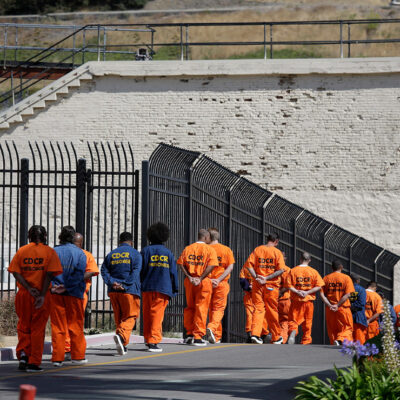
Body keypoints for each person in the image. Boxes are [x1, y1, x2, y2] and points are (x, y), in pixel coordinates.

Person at [8, 225, 63, 372]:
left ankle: (24, 354)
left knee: (24, 326)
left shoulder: (22, 251)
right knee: (38, 328)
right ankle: (34, 362)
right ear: (45, 236)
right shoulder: (49, 252)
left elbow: (15, 272)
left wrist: (27, 287)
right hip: (41, 294)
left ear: (29, 236)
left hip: (24, 295)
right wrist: (42, 295)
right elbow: (49, 274)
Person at [50, 226, 88, 367]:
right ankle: (78, 356)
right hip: (74, 293)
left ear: (60, 237)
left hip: (55, 293)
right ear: (73, 238)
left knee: (58, 327)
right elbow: (79, 274)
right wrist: (67, 286)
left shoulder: (53, 252)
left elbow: (48, 272)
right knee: (75, 326)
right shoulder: (80, 253)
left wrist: (55, 286)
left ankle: (57, 358)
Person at [101, 232, 141, 356]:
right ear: (131, 242)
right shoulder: (135, 254)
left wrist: (112, 283)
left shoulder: (112, 254)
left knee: (119, 317)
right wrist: (125, 284)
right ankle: (122, 337)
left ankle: (123, 345)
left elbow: (104, 270)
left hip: (113, 291)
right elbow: (135, 272)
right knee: (130, 315)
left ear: (119, 241)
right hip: (128, 291)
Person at [141, 222, 179, 353]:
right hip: (162, 287)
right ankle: (153, 340)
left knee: (147, 314)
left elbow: (141, 270)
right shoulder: (167, 253)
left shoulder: (145, 251)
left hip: (147, 287)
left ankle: (147, 338)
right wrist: (175, 288)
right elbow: (173, 272)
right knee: (157, 315)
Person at [177, 229, 219, 346]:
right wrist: (200, 278)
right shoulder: (209, 249)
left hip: (190, 281)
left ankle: (189, 334)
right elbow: (211, 265)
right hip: (203, 281)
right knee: (201, 308)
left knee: (189, 307)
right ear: (206, 238)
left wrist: (190, 277)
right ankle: (198, 336)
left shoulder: (188, 248)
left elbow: (180, 263)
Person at [244, 232, 285, 344]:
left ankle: (255, 334)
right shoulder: (277, 252)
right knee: (271, 310)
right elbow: (281, 270)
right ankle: (276, 336)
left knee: (258, 309)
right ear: (276, 241)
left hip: (258, 284)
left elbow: (249, 266)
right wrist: (266, 278)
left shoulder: (258, 250)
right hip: (271, 285)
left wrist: (257, 277)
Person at [64, 232, 99, 360]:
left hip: (61, 291)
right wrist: (77, 279)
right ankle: (73, 350)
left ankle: (66, 348)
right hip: (79, 293)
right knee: (76, 323)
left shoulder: (63, 252)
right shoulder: (86, 254)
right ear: (81, 242)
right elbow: (92, 271)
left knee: (64, 322)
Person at [286, 252, 324, 345]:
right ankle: (306, 340)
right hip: (308, 300)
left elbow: (288, 285)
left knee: (293, 320)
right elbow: (319, 286)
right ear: (309, 260)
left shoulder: (293, 271)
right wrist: (307, 292)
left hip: (296, 300)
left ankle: (293, 331)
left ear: (300, 259)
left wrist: (297, 291)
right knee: (308, 321)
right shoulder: (313, 271)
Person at [206, 227, 235, 344]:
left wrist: (209, 279)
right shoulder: (226, 250)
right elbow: (230, 267)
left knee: (210, 309)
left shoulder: (205, 249)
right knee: (218, 309)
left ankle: (216, 336)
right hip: (221, 283)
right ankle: (213, 328)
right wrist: (218, 279)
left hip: (206, 282)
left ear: (208, 237)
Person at [320, 260, 355, 345]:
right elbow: (348, 294)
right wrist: (337, 305)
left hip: (330, 309)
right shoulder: (346, 278)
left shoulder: (326, 278)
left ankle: (335, 343)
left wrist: (329, 305)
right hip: (343, 307)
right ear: (341, 267)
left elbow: (322, 294)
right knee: (347, 327)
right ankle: (340, 340)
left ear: (332, 268)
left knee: (332, 329)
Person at [349, 273, 368, 344]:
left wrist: (349, 306)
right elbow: (361, 303)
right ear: (357, 280)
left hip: (349, 316)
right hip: (358, 317)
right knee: (359, 340)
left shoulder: (348, 288)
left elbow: (351, 301)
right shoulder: (361, 289)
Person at [278, 251, 291, 344]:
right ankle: (282, 338)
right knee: (284, 320)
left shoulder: (272, 269)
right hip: (284, 299)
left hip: (272, 299)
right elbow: (288, 285)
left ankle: (275, 337)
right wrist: (280, 292)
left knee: (274, 320)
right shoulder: (288, 270)